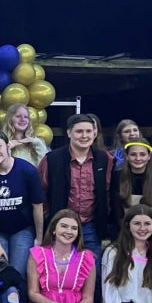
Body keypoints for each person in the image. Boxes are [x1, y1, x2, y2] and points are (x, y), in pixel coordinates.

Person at [38, 113, 113, 275]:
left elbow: (108, 191)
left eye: (88, 131)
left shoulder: (104, 159)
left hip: (91, 225)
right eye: (79, 131)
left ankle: (91, 301)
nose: (84, 136)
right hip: (60, 226)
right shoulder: (52, 159)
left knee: (94, 272)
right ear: (69, 133)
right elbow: (40, 192)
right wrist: (48, 217)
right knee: (60, 272)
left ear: (94, 133)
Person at [26, 210, 99, 303]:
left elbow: (88, 297)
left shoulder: (87, 257)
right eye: (64, 226)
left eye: (74, 228)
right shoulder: (38, 254)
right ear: (54, 229)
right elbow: (33, 292)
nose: (68, 231)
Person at [0, 131, 44, 280]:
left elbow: (38, 207)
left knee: (17, 273)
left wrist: (39, 238)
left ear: (8, 146)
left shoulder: (27, 171)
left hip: (22, 229)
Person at [109, 140, 152, 229]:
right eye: (133, 154)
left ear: (149, 156)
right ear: (127, 156)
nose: (138, 158)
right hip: (125, 229)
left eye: (142, 154)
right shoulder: (118, 177)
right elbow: (117, 211)